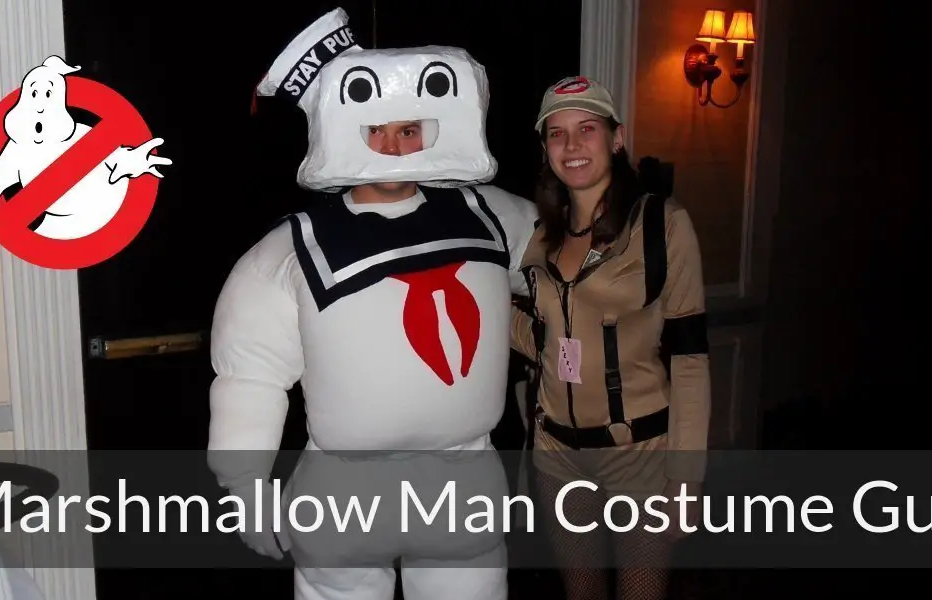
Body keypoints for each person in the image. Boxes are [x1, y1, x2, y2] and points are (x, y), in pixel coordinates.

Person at [206, 8, 538, 600]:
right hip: (345, 491)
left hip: (464, 482)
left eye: (407, 129)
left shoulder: (490, 213)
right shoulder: (292, 249)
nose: (392, 146)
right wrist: (248, 490)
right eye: (375, 130)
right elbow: (249, 376)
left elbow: (568, 263)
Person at [510, 76, 712, 600]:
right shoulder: (542, 236)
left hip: (639, 453)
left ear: (616, 138)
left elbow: (690, 357)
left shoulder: (662, 225)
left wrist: (686, 479)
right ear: (545, 149)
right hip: (556, 453)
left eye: (587, 129)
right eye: (556, 134)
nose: (571, 145)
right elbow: (547, 341)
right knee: (581, 593)